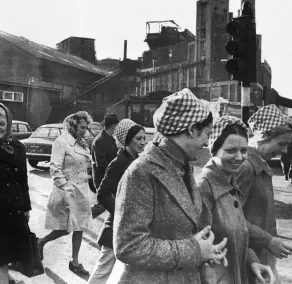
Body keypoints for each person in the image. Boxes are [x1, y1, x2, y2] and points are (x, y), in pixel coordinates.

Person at [107, 89, 228, 284]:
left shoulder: (182, 167)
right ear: (191, 129)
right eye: (207, 134)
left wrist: (204, 249)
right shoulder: (141, 172)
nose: (207, 142)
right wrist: (195, 250)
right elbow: (128, 246)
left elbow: (177, 230)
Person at [197, 116, 275, 284]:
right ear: (214, 149)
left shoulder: (230, 182)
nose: (239, 157)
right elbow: (200, 250)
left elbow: (237, 232)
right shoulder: (203, 188)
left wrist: (253, 262)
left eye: (244, 150)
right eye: (231, 150)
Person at [237, 104, 292, 283]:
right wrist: (269, 241)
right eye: (281, 144)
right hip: (250, 257)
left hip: (262, 255)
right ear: (264, 136)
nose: (284, 151)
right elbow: (231, 216)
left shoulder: (260, 163)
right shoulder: (246, 167)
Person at [88, 119, 146, 284]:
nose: (143, 143)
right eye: (138, 139)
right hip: (117, 226)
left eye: (144, 138)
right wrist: (121, 213)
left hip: (134, 227)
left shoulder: (137, 161)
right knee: (103, 270)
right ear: (127, 140)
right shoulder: (119, 163)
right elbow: (103, 193)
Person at [38, 111, 92, 276]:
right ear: (74, 126)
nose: (85, 130)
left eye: (86, 127)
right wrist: (66, 188)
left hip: (81, 191)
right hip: (66, 191)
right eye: (82, 127)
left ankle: (75, 262)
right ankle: (41, 242)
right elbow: (55, 168)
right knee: (64, 229)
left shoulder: (82, 144)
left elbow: (85, 166)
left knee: (80, 227)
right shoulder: (61, 142)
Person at [0, 102, 32, 284]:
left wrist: (26, 208)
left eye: (1, 123)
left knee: (5, 257)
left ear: (8, 123)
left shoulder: (18, 147)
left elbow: (23, 180)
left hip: (14, 212)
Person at [90, 113, 119, 218]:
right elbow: (101, 164)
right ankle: (81, 220)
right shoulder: (100, 140)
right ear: (113, 126)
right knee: (103, 205)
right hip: (103, 179)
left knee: (114, 207)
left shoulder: (110, 138)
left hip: (109, 179)